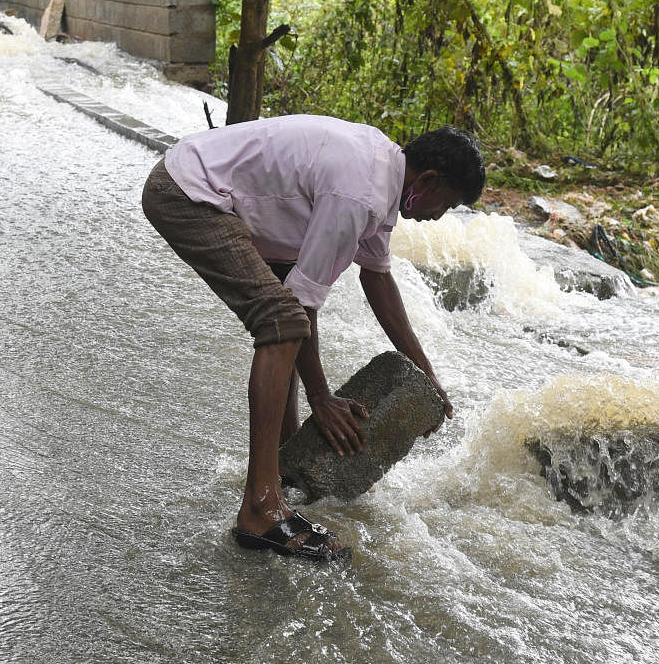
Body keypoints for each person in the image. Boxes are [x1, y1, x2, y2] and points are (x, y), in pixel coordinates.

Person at [141, 114, 485, 562]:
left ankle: (281, 465)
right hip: (189, 194)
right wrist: (321, 399)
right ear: (429, 179)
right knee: (282, 323)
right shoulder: (360, 194)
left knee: (288, 314)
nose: (439, 215)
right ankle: (261, 510)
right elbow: (300, 306)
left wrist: (427, 374)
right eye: (447, 203)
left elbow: (378, 280)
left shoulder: (384, 173)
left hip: (213, 188)